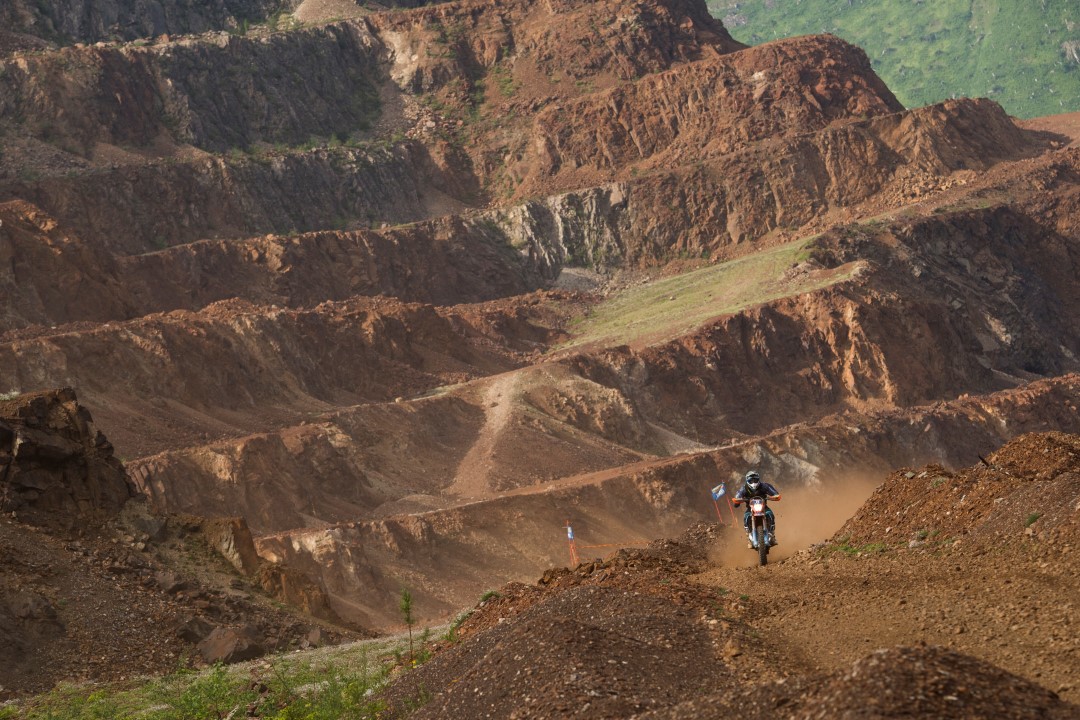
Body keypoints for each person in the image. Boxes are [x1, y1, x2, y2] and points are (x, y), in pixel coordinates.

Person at [732, 471, 781, 548]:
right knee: (746, 517)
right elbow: (736, 499)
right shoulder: (744, 488)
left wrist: (773, 497)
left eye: (755, 480)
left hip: (764, 507)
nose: (753, 482)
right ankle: (748, 537)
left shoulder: (764, 486)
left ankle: (772, 534)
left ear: (758, 479)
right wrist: (738, 501)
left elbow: (776, 494)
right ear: (747, 481)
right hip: (750, 508)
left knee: (770, 514)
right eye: (751, 481)